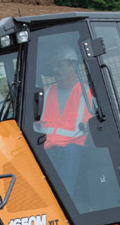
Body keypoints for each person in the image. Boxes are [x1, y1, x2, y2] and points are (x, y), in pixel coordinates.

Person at [36, 47, 94, 196]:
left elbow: (102, 120)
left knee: (62, 191)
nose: (55, 70)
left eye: (60, 65)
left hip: (73, 148)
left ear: (72, 66)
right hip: (47, 149)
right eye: (53, 66)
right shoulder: (45, 93)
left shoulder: (87, 93)